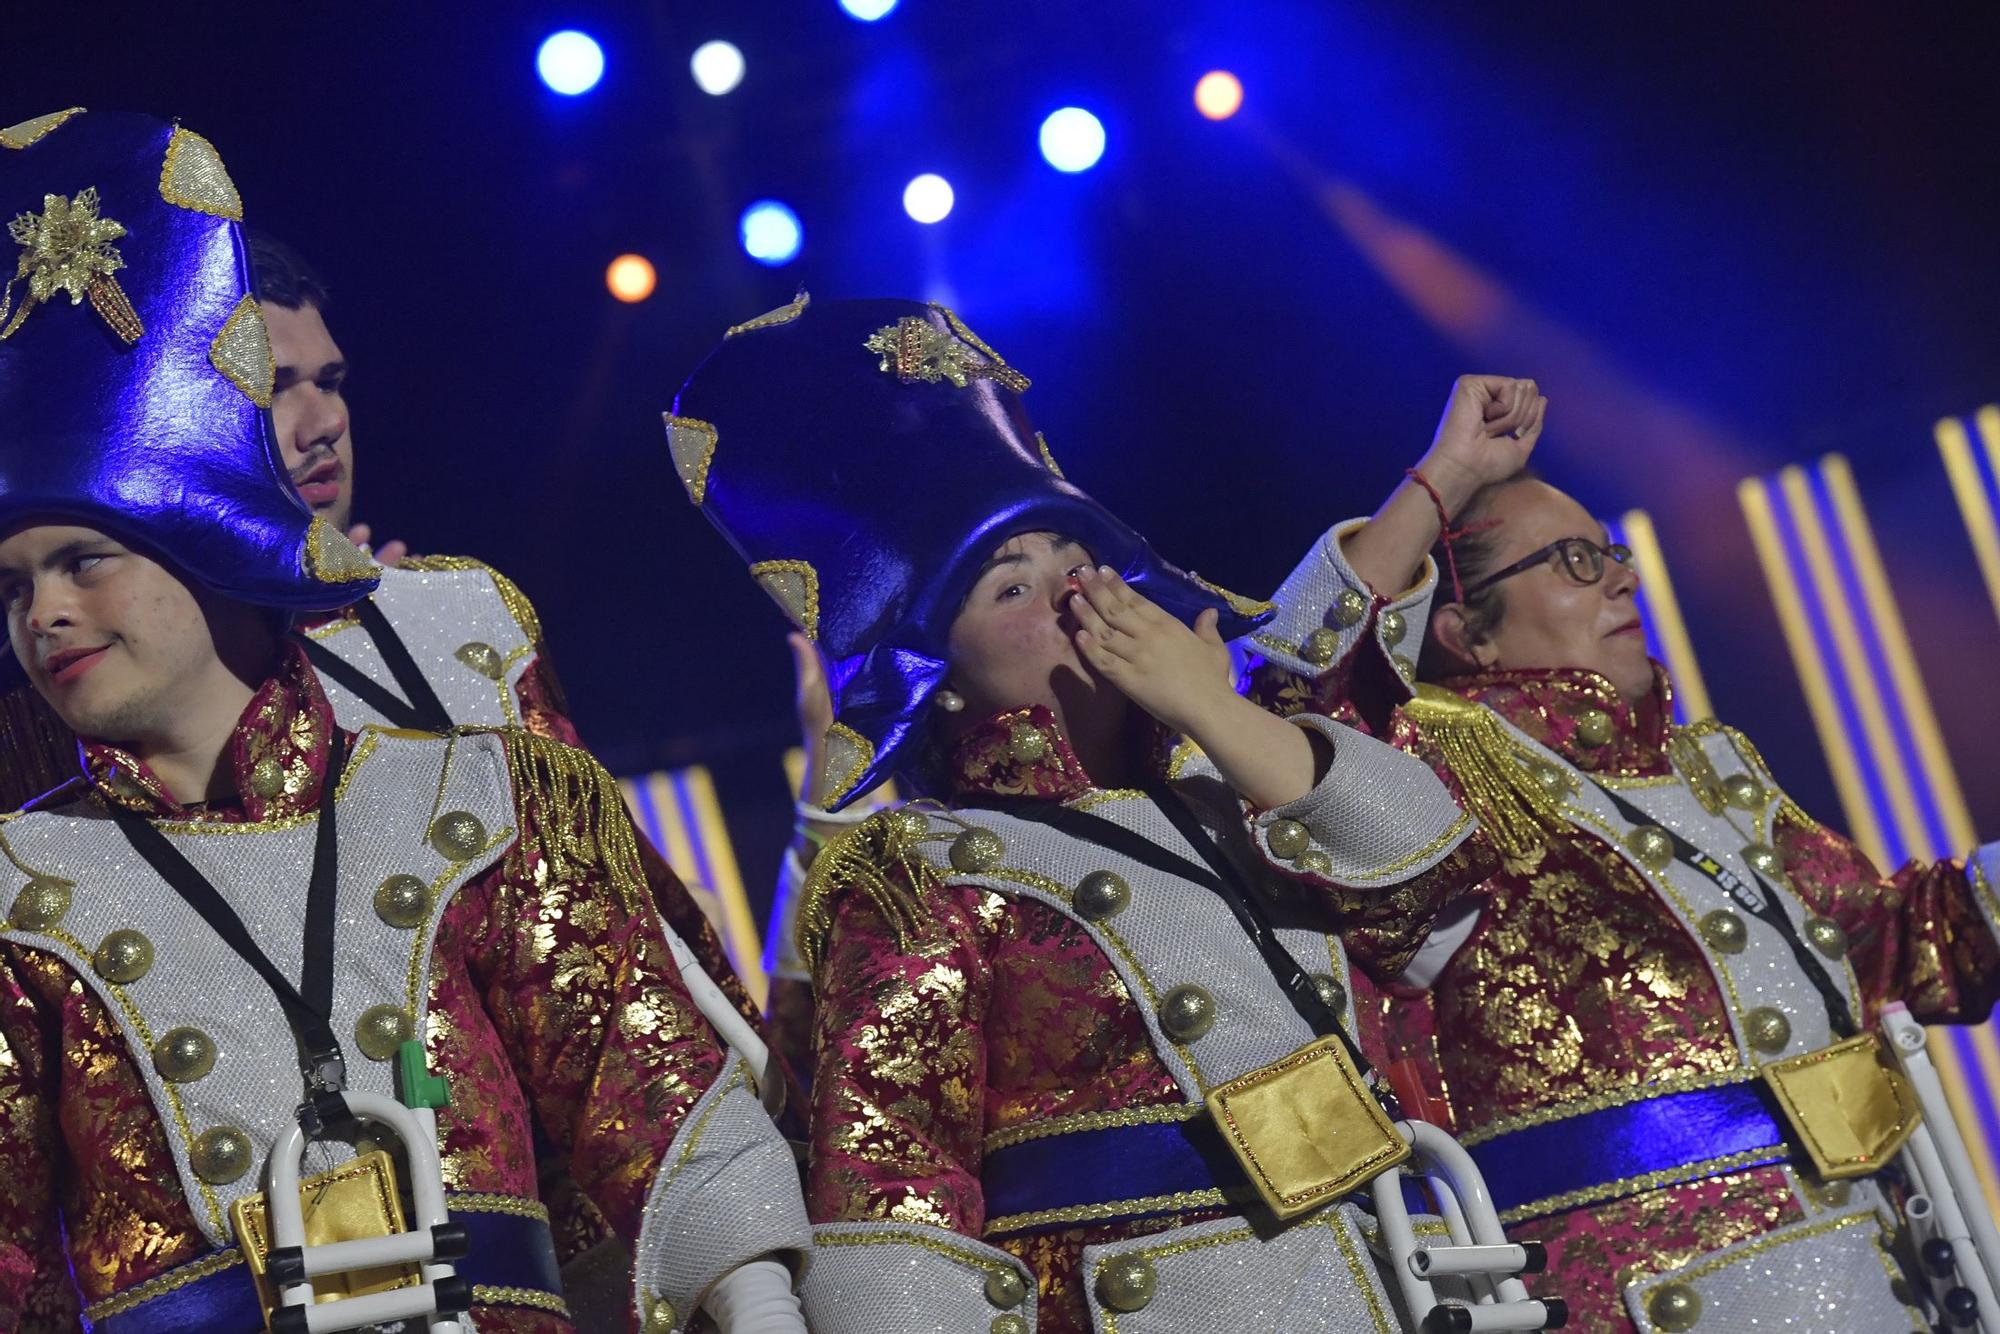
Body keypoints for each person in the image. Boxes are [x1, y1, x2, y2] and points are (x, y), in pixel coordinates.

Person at [0, 108, 808, 1333]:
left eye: (333, 380)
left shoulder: (455, 626)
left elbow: (626, 945)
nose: (319, 418)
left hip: (539, 1244)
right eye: (277, 387)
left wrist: (747, 1204)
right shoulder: (42, 801)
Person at [668, 295, 1504, 1332]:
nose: (1067, 597)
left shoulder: (1235, 777)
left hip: (1404, 1275)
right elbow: (889, 1184)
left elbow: (1434, 896)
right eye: (1008, 588)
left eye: (1077, 564)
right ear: (944, 677)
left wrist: (1207, 700)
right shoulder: (926, 868)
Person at [1247, 373, 2000, 1330]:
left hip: (1870, 1260)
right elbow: (1282, 702)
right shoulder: (1434, 763)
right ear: (1464, 634)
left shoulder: (1710, 769)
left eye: (1611, 553)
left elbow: (1895, 943)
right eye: (1572, 561)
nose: (1622, 577)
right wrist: (1442, 480)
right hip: (1644, 1291)